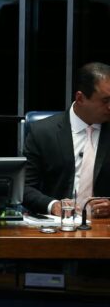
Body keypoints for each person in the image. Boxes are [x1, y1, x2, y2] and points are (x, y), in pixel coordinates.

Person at [23, 62, 110, 217]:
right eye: (105, 101)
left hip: (103, 227)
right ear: (80, 98)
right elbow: (23, 187)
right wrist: (52, 204)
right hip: (56, 227)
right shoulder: (43, 133)